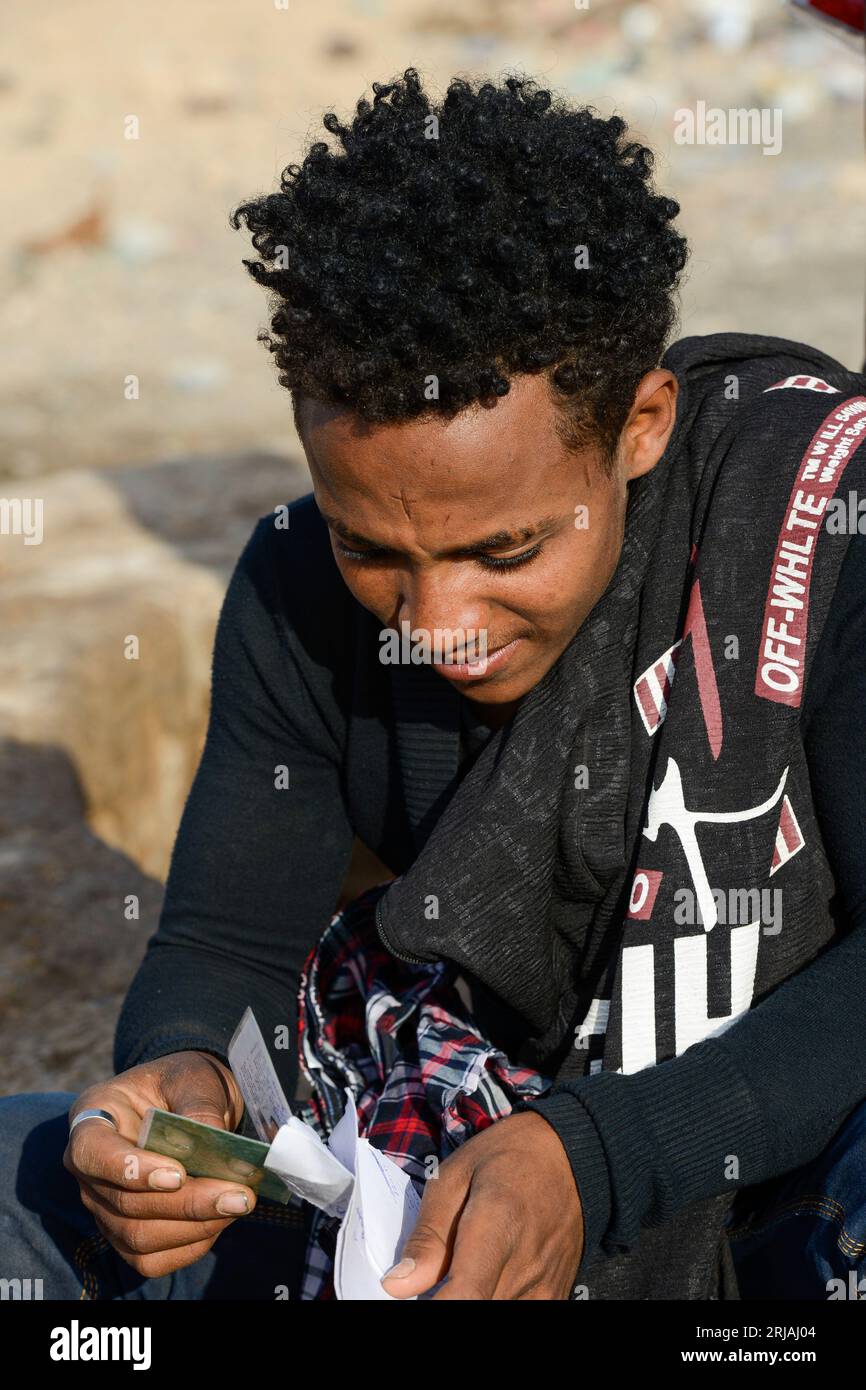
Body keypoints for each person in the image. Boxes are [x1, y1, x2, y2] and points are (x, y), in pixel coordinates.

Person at [2, 69, 866, 1302]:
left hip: (778, 1182)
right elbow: (227, 937)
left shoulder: (815, 530)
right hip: (421, 1187)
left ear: (640, 423)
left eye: (503, 550)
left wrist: (593, 1158)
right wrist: (186, 1083)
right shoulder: (294, 590)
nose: (435, 625)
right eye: (374, 550)